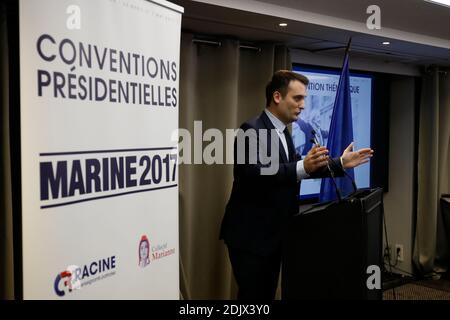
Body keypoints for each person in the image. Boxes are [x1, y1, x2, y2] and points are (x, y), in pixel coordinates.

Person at [219, 70, 373, 300]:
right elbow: (252, 173)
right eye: (297, 98)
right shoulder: (251, 129)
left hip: (275, 233)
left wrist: (341, 163)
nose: (302, 105)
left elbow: (295, 172)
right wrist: (302, 166)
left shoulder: (284, 132)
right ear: (278, 97)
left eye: (304, 99)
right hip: (252, 236)